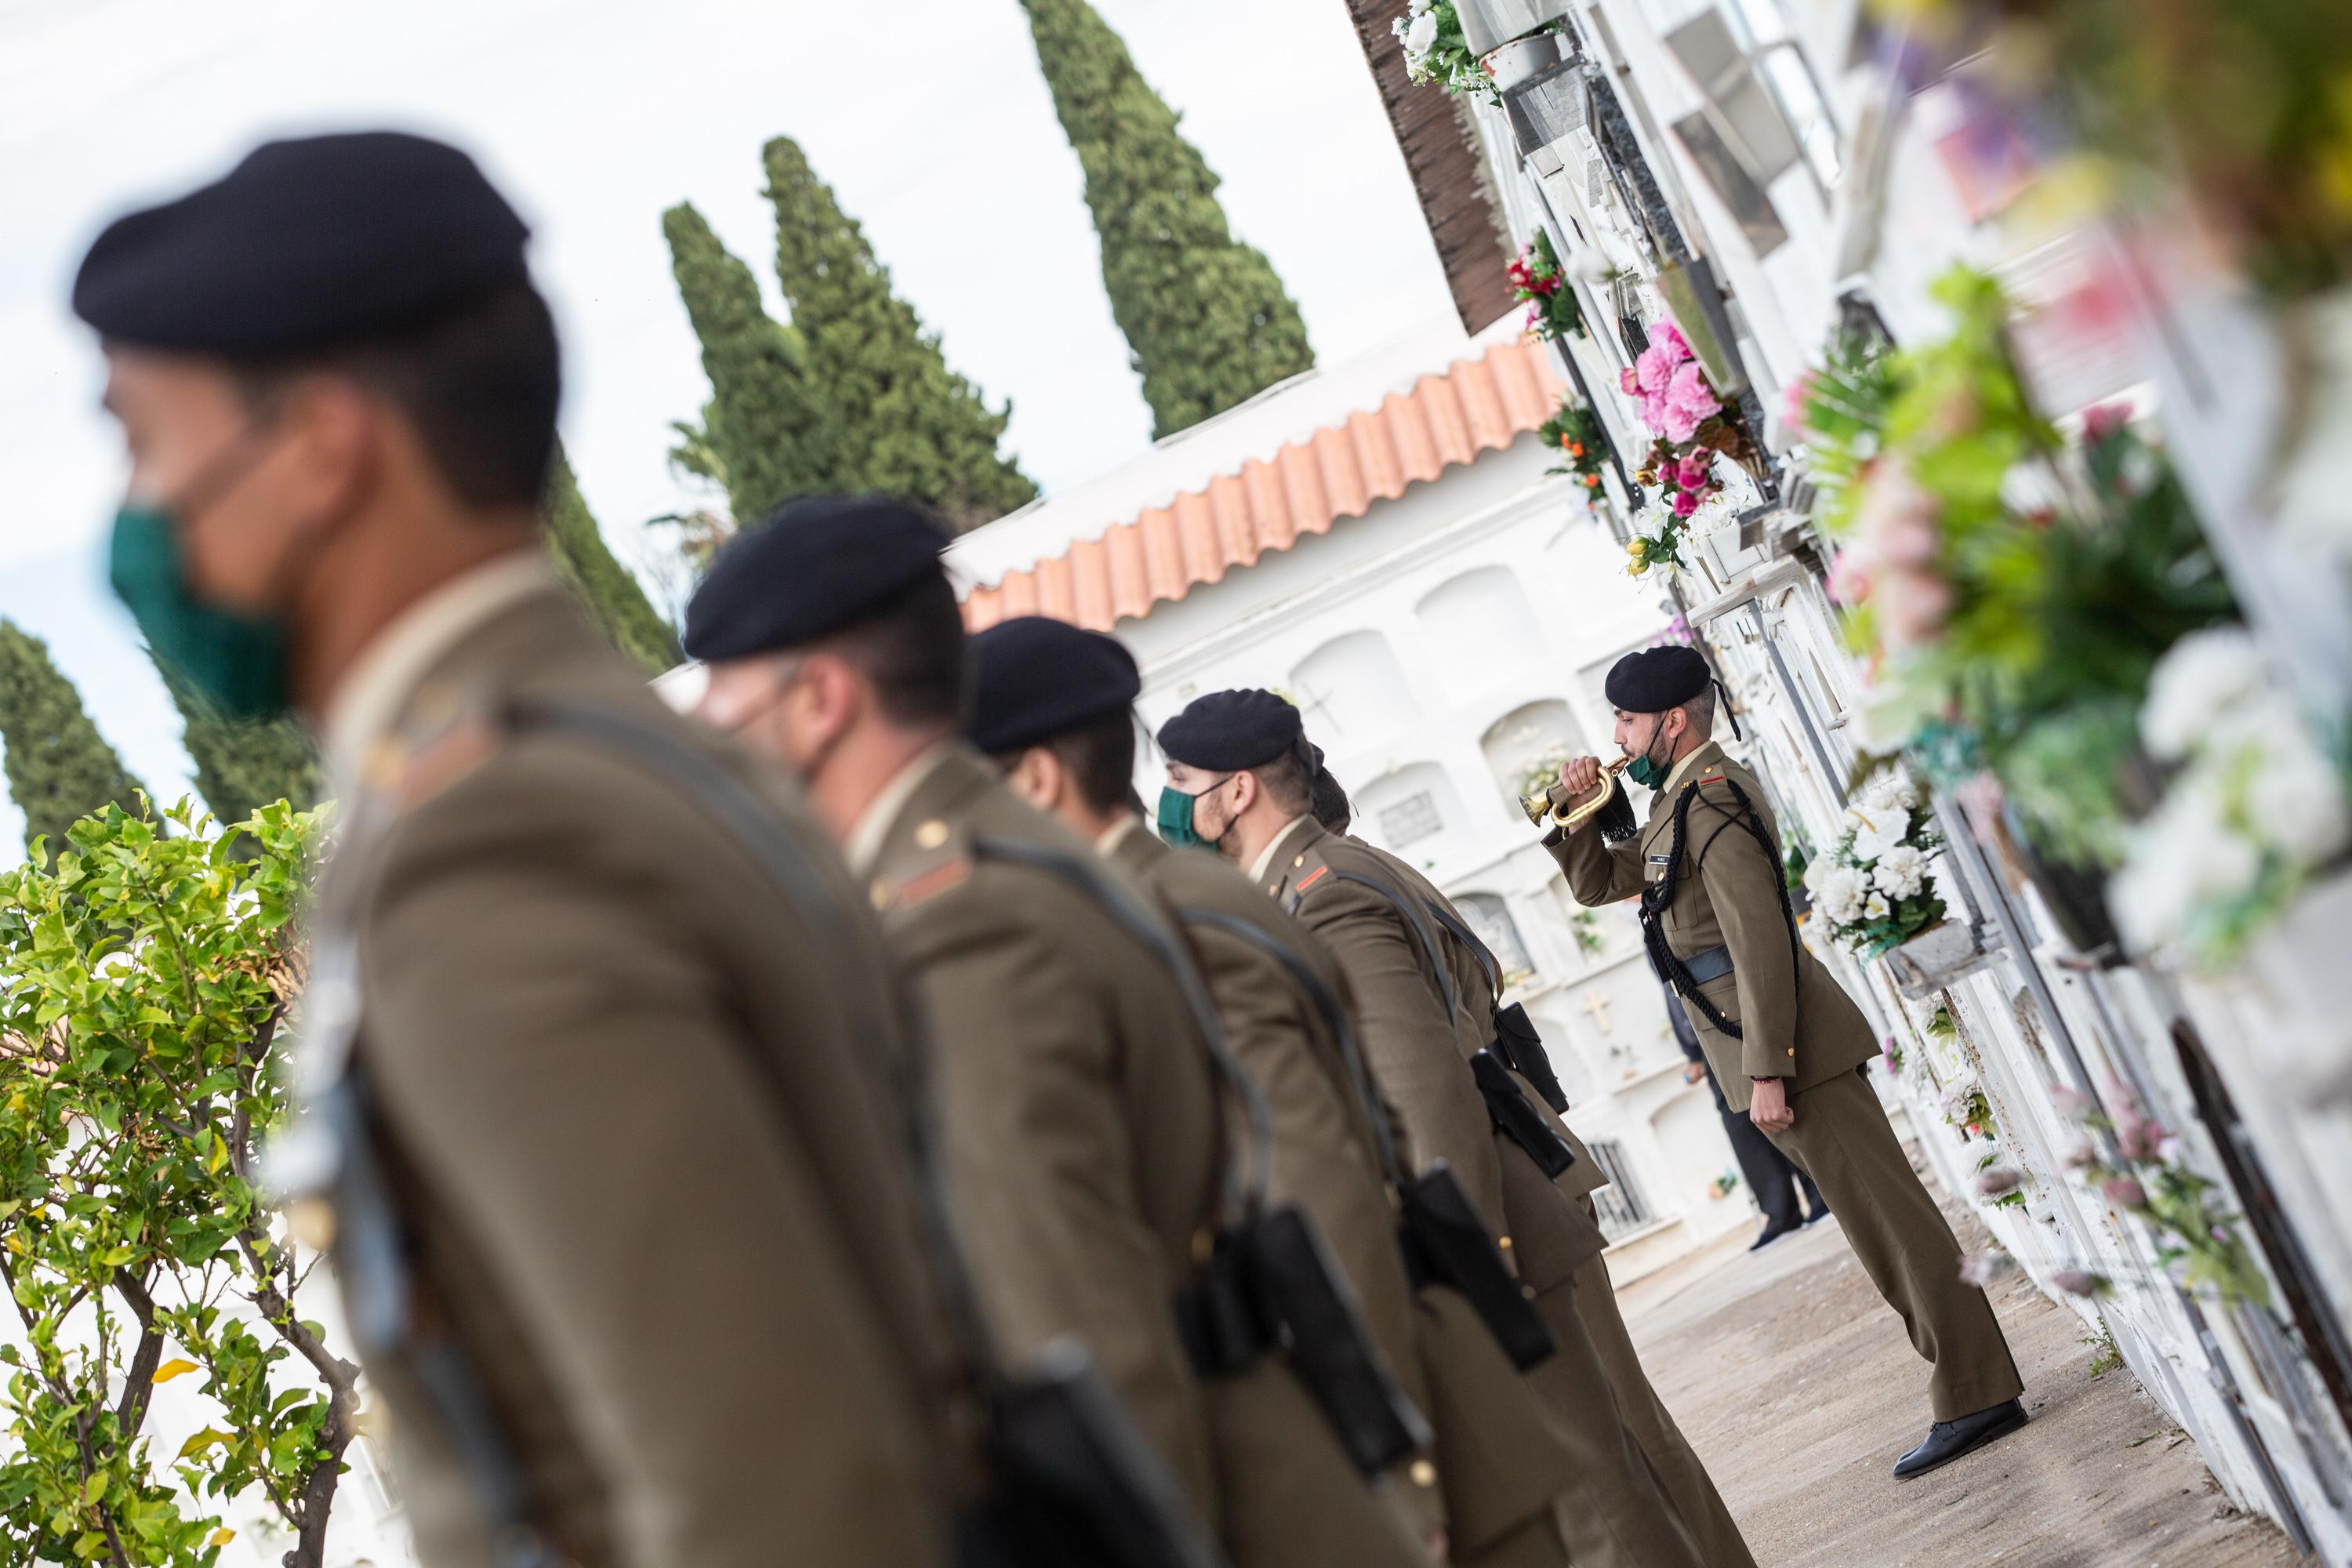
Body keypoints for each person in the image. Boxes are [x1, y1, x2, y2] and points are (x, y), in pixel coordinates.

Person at [74, 131, 967, 1566]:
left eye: (142, 437)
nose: (136, 513)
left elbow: (772, 1496)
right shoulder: (634, 755)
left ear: (316, 446)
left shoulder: (483, 846)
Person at [681, 508, 1434, 1568]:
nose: (713, 736)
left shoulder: (955, 927)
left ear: (820, 699)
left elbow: (1079, 1342)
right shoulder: (1006, 866)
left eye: (726, 700)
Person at [970, 616, 1593, 1568]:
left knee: (1611, 1510)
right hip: (1422, 1290)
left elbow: (1350, 1154)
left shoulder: (1184, 917)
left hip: (1419, 1309)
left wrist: (1395, 1441)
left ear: (1037, 778)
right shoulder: (1204, 899)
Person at [1159, 689, 1735, 1568]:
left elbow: (1424, 1095)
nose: (1167, 799)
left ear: (1237, 790)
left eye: (1179, 777)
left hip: (1487, 1220)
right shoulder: (1325, 871)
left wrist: (1471, 1273)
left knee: (1596, 1493)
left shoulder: (1322, 896)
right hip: (1514, 1190)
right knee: (1622, 1455)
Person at [1544, 644, 2027, 1479]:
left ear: (1672, 719)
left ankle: (1978, 1389)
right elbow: (1604, 887)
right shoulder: (1675, 799)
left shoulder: (1714, 793)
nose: (1614, 732)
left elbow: (1759, 937)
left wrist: (1769, 1067)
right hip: (1756, 1044)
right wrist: (1579, 809)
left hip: (1788, 1047)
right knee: (1879, 1231)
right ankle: (1969, 1385)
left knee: (1894, 1223)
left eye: (1625, 718)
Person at [1668, 989, 1829, 1249]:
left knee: (1775, 1100)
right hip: (1705, 1043)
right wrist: (1692, 1052)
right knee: (1738, 1123)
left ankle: (1820, 1195)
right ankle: (1780, 1213)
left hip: (1734, 1018)